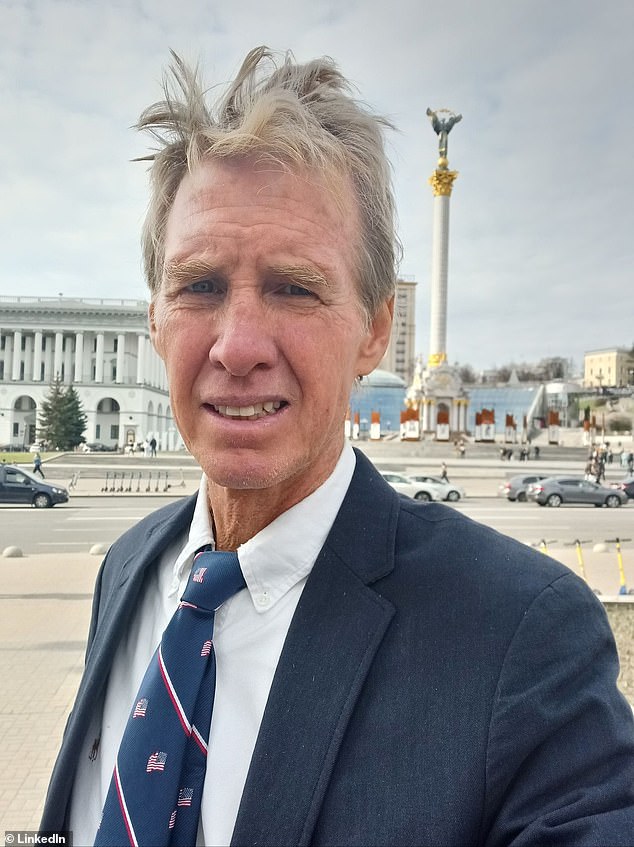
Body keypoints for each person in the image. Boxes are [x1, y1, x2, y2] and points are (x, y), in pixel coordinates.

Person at [41, 47, 634, 845]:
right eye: (200, 285)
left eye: (295, 286)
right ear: (155, 317)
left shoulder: (518, 636)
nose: (239, 345)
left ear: (375, 331)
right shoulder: (131, 568)